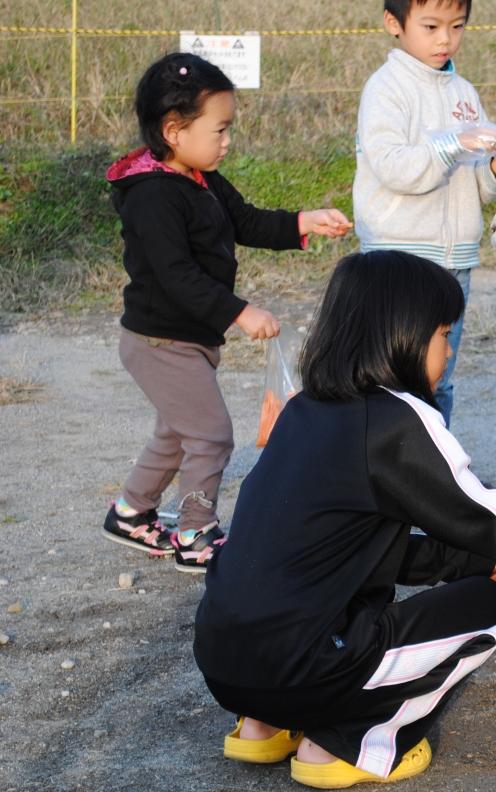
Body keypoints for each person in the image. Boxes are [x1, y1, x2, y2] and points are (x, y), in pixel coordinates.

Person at [193, 251, 496, 789]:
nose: (449, 349)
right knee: (486, 610)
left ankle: (263, 726)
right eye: (443, 333)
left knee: (322, 600)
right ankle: (345, 743)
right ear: (402, 334)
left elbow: (359, 551)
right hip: (300, 670)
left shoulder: (304, 410)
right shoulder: (396, 419)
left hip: (222, 663)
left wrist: (473, 562)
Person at [103, 52, 352, 571]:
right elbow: (176, 276)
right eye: (219, 129)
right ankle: (195, 533)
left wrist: (304, 221)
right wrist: (240, 312)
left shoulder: (200, 178)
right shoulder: (153, 197)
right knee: (211, 435)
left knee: (177, 433)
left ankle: (131, 512)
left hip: (185, 337)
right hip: (160, 342)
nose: (227, 140)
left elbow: (246, 221)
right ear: (174, 130)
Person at [353, 0, 496, 426]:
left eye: (456, 26)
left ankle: (435, 462)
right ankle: (385, 460)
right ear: (394, 23)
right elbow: (393, 167)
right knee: (392, 377)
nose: (445, 39)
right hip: (399, 260)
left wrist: (493, 173)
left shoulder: (464, 94)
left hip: (454, 264)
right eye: (431, 27)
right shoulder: (386, 89)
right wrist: (453, 144)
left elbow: (471, 181)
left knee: (439, 377)